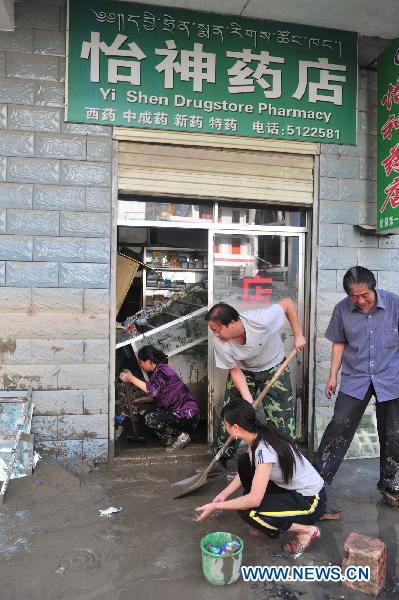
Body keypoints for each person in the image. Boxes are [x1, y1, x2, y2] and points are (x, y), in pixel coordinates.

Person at [313, 266, 399, 506]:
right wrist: (332, 376)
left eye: (365, 295)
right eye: (354, 296)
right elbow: (338, 343)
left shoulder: (394, 304)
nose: (360, 301)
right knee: (339, 425)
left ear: (374, 288)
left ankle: (389, 483)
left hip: (391, 376)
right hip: (356, 376)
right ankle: (316, 482)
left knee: (393, 432)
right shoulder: (342, 309)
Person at [195, 400, 326, 554]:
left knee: (249, 510)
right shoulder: (258, 435)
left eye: (226, 424)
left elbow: (254, 499)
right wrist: (223, 495)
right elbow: (245, 475)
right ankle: (267, 520)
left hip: (311, 501)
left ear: (236, 428)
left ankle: (306, 530)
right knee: (245, 464)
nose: (225, 428)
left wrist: (215, 506)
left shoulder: (264, 450)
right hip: (292, 490)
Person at [206, 299, 306, 471]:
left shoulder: (261, 319)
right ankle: (221, 457)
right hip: (244, 370)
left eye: (218, 329)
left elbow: (288, 304)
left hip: (274, 366)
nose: (216, 334)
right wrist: (247, 399)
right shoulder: (220, 342)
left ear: (232, 322)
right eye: (213, 331)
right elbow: (235, 371)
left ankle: (284, 459)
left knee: (281, 418)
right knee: (232, 413)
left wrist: (298, 335)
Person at [119, 345, 200, 450]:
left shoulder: (163, 371)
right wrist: (139, 400)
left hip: (188, 415)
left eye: (141, 362)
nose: (141, 364)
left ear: (148, 361)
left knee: (151, 418)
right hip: (180, 413)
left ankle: (182, 436)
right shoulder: (158, 371)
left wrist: (132, 379)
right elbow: (159, 396)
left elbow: (153, 390)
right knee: (145, 411)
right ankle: (169, 439)